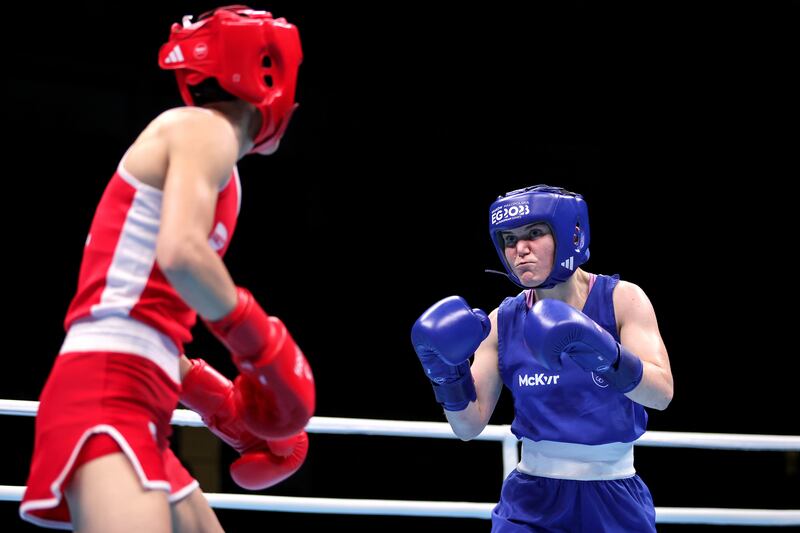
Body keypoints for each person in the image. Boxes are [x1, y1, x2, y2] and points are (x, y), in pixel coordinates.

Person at [20, 6, 315, 532]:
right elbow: (181, 255)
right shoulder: (206, 130)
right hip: (109, 387)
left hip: (141, 387)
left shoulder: (212, 164)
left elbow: (145, 308)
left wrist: (222, 406)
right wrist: (262, 346)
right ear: (271, 73)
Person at [411, 184, 673, 532]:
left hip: (615, 495)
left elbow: (661, 394)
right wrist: (445, 374)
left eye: (534, 233)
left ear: (570, 235)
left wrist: (604, 354)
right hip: (530, 500)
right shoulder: (500, 322)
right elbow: (467, 427)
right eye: (509, 238)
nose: (520, 249)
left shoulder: (622, 300)